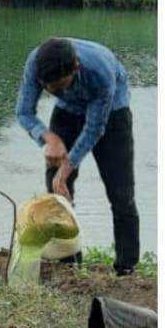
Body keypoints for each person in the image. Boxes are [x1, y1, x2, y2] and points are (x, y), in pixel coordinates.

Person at [15, 37, 139, 276]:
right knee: (56, 189)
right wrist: (49, 139)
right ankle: (68, 262)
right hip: (68, 111)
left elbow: (94, 129)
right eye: (51, 89)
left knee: (121, 194)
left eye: (61, 86)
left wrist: (67, 167)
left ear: (76, 69)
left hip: (112, 113)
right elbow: (23, 112)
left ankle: (126, 268)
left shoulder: (100, 72)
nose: (56, 91)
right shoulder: (35, 63)